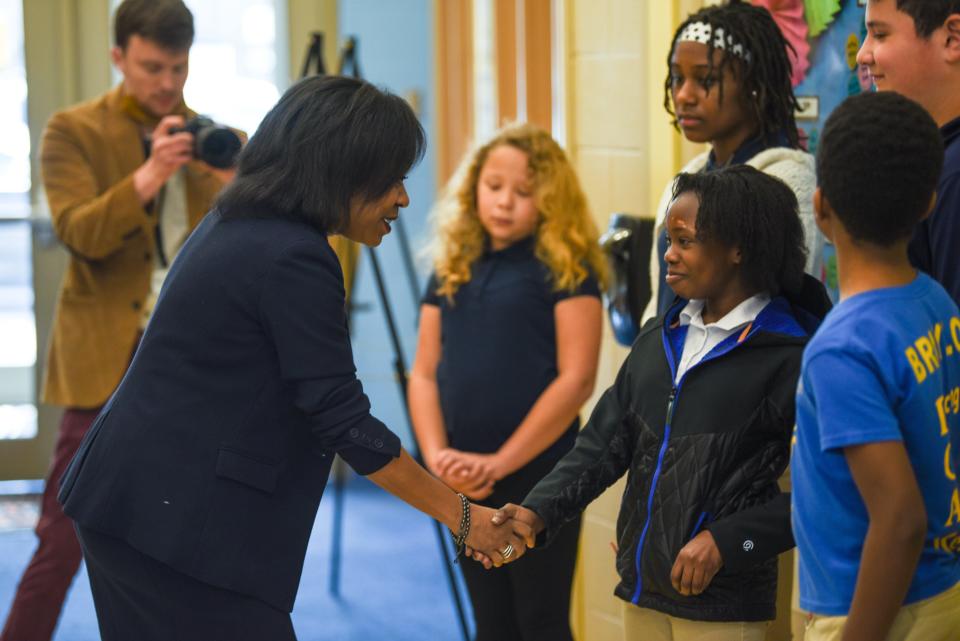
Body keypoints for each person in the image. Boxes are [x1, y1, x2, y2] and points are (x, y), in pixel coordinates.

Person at [54, 75, 532, 640]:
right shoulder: (293, 257)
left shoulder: (244, 221)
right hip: (171, 523)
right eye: (394, 179)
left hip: (138, 502)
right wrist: (464, 517)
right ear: (342, 169)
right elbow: (343, 420)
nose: (402, 198)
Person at [491, 165, 830, 641]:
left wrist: (731, 543)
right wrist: (538, 510)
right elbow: (599, 447)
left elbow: (828, 492)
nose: (668, 255)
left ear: (738, 249)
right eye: (669, 239)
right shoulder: (659, 338)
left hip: (724, 609)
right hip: (643, 593)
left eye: (685, 241)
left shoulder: (793, 356)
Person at [0, 2, 239, 640]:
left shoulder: (213, 137)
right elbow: (80, 234)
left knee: (194, 530)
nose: (167, 83)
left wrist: (233, 178)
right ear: (118, 59)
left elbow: (247, 243)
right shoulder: (71, 130)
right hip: (104, 353)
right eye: (152, 67)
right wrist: (151, 173)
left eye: (179, 67)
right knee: (64, 529)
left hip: (191, 355)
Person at [408, 123, 606, 641]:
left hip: (539, 476)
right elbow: (425, 371)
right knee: (490, 623)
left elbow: (577, 380)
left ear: (550, 198)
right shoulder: (452, 265)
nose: (504, 202)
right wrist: (436, 459)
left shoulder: (567, 267)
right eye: (493, 186)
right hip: (461, 477)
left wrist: (500, 462)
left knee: (539, 620)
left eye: (523, 192)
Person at [791, 92, 960, 641]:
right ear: (929, 203)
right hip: (943, 593)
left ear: (820, 207)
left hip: (879, 611)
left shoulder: (842, 349)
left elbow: (900, 520)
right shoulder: (935, 302)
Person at [643, 0, 822, 323]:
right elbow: (659, 303)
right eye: (677, 78)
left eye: (706, 80)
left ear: (753, 86)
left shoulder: (785, 183)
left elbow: (776, 314)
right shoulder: (687, 178)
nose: (684, 95)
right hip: (664, 367)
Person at [856, 0, 960, 307]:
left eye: (880, 34)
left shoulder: (953, 174)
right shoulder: (937, 160)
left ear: (952, 38)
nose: (863, 54)